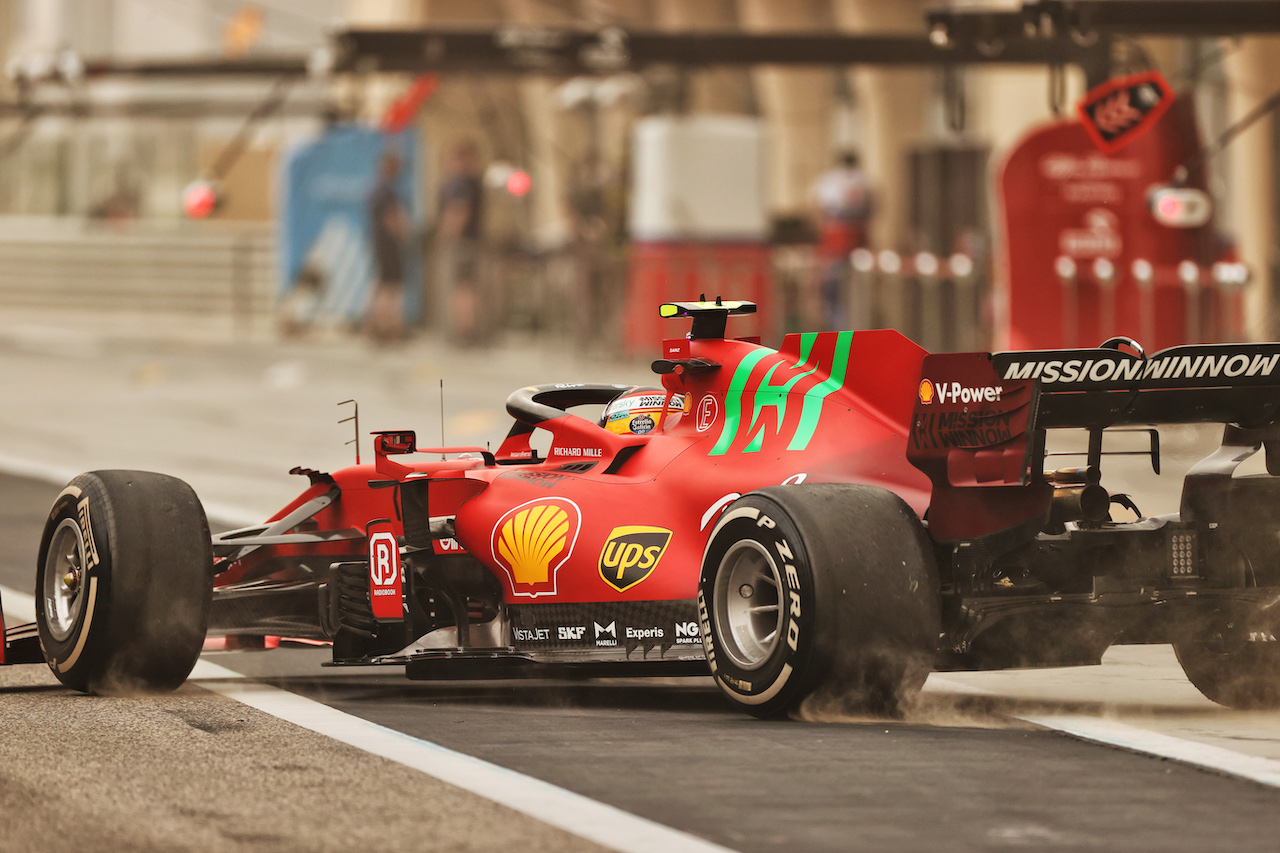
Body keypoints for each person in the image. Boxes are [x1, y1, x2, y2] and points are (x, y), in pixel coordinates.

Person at [811, 151, 874, 330]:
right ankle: (855, 324)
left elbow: (818, 207)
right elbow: (872, 209)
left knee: (833, 286)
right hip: (858, 238)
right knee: (856, 286)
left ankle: (837, 323)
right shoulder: (866, 181)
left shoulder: (829, 181)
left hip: (836, 238)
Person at [436, 140, 485, 345]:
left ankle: (463, 332)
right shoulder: (476, 182)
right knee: (468, 288)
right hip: (473, 241)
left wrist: (446, 236)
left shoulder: (461, 184)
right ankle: (468, 330)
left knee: (462, 289)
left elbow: (458, 211)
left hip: (462, 243)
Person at [367, 152, 409, 343]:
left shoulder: (375, 190)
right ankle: (387, 327)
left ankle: (379, 325)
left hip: (378, 244)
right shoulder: (388, 192)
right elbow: (392, 219)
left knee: (383, 283)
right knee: (391, 286)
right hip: (389, 245)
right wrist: (403, 236)